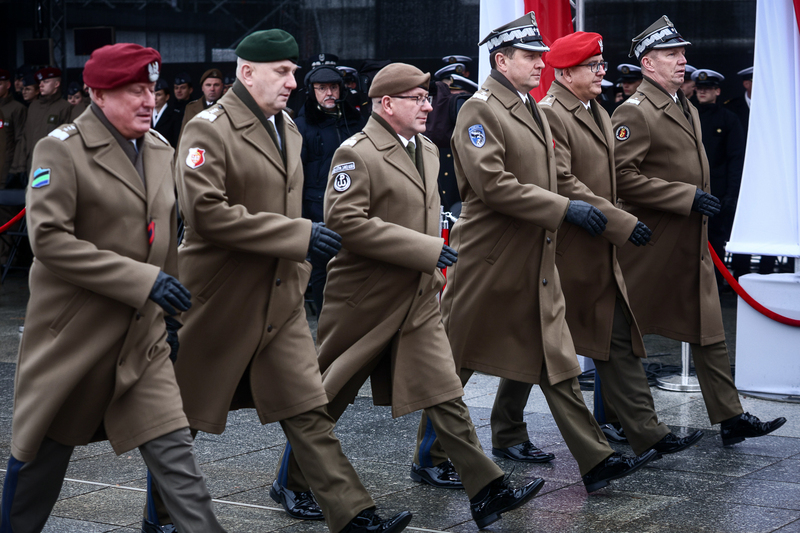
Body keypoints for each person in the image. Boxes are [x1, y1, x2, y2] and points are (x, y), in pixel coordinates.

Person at [146, 29, 413, 533]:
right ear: (248, 72)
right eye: (282, 71)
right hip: (219, 296)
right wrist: (298, 235)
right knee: (185, 418)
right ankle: (161, 519)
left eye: (293, 70)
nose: (294, 80)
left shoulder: (285, 126)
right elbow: (205, 214)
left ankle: (353, 515)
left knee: (307, 408)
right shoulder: (209, 128)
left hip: (279, 296)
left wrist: (299, 253)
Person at [275, 61, 545, 530]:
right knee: (329, 397)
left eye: (427, 97)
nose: (428, 106)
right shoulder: (355, 153)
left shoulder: (425, 147)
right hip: (366, 297)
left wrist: (438, 248)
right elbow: (346, 223)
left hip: (416, 294)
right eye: (418, 98)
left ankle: (487, 489)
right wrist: (426, 249)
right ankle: (292, 482)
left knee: (445, 392)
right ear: (387, 104)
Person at [417, 11, 656, 495]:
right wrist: (564, 208)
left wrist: (577, 208)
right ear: (502, 60)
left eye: (541, 57)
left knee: (558, 361)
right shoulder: (479, 109)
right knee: (456, 362)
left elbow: (550, 175)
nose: (539, 64)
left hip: (534, 254)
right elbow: (494, 185)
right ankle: (429, 456)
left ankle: (596, 460)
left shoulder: (527, 106)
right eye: (530, 57)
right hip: (488, 257)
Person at [0, 42, 226, 533]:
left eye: (151, 89)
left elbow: (165, 236)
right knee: (39, 459)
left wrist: (171, 316)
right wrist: (146, 281)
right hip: (75, 339)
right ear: (98, 95)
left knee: (179, 464)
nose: (148, 100)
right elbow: (50, 241)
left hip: (142, 341)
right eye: (133, 91)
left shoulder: (161, 149)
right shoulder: (60, 148)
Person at [612, 16, 786, 447]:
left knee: (710, 330)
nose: (682, 60)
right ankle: (623, 420)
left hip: (691, 241)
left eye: (682, 53)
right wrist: (683, 196)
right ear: (648, 64)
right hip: (651, 244)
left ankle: (730, 417)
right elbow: (621, 175)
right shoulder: (633, 111)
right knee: (625, 331)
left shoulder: (684, 103)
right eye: (672, 54)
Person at [538, 31, 703, 459]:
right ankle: (496, 430)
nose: (602, 72)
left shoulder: (593, 108)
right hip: (571, 244)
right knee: (535, 345)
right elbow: (564, 181)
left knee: (613, 339)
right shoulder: (552, 112)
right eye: (593, 67)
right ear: (568, 72)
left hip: (598, 243)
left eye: (601, 65)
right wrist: (621, 220)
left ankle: (647, 431)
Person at [295, 64, 365, 313]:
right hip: (317, 208)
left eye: (333, 87)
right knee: (323, 272)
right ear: (311, 91)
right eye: (321, 88)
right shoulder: (301, 126)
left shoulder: (354, 120)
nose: (329, 93)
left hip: (355, 206)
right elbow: (296, 174)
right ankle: (326, 328)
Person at [692, 68, 747, 283]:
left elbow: (735, 159)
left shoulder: (728, 119)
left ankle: (714, 287)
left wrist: (732, 194)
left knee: (715, 242)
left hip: (717, 192)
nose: (702, 92)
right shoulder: (688, 116)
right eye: (699, 88)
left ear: (717, 91)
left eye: (708, 89)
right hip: (690, 191)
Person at [13, 67, 72, 182]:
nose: (41, 85)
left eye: (45, 81)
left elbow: (68, 142)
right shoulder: (33, 107)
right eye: (40, 82)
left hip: (53, 167)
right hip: (31, 165)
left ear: (56, 84)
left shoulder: (65, 107)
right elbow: (25, 138)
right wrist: (20, 167)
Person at [178, 68, 224, 138]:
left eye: (216, 85)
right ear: (202, 88)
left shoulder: (228, 107)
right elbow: (183, 136)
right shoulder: (191, 108)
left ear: (222, 87)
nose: (212, 89)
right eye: (208, 85)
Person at [0, 69, 26, 182]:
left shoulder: (17, 109)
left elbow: (20, 139)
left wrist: (16, 168)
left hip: (6, 168)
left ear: (8, 85)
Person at [152, 78, 181, 147]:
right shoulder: (146, 114)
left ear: (167, 97)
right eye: (152, 94)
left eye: (158, 95)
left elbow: (177, 141)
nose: (154, 98)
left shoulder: (175, 116)